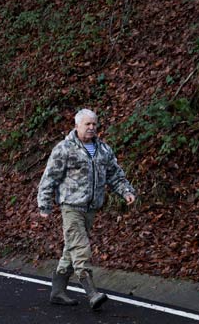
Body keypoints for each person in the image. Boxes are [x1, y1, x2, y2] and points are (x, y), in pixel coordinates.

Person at [37, 108, 136, 309]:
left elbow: (114, 174)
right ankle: (91, 293)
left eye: (94, 124)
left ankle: (57, 291)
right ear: (77, 126)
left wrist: (126, 191)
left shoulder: (103, 150)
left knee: (71, 249)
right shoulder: (64, 148)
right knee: (81, 248)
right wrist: (44, 204)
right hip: (71, 207)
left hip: (91, 207)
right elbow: (49, 177)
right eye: (87, 124)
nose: (91, 128)